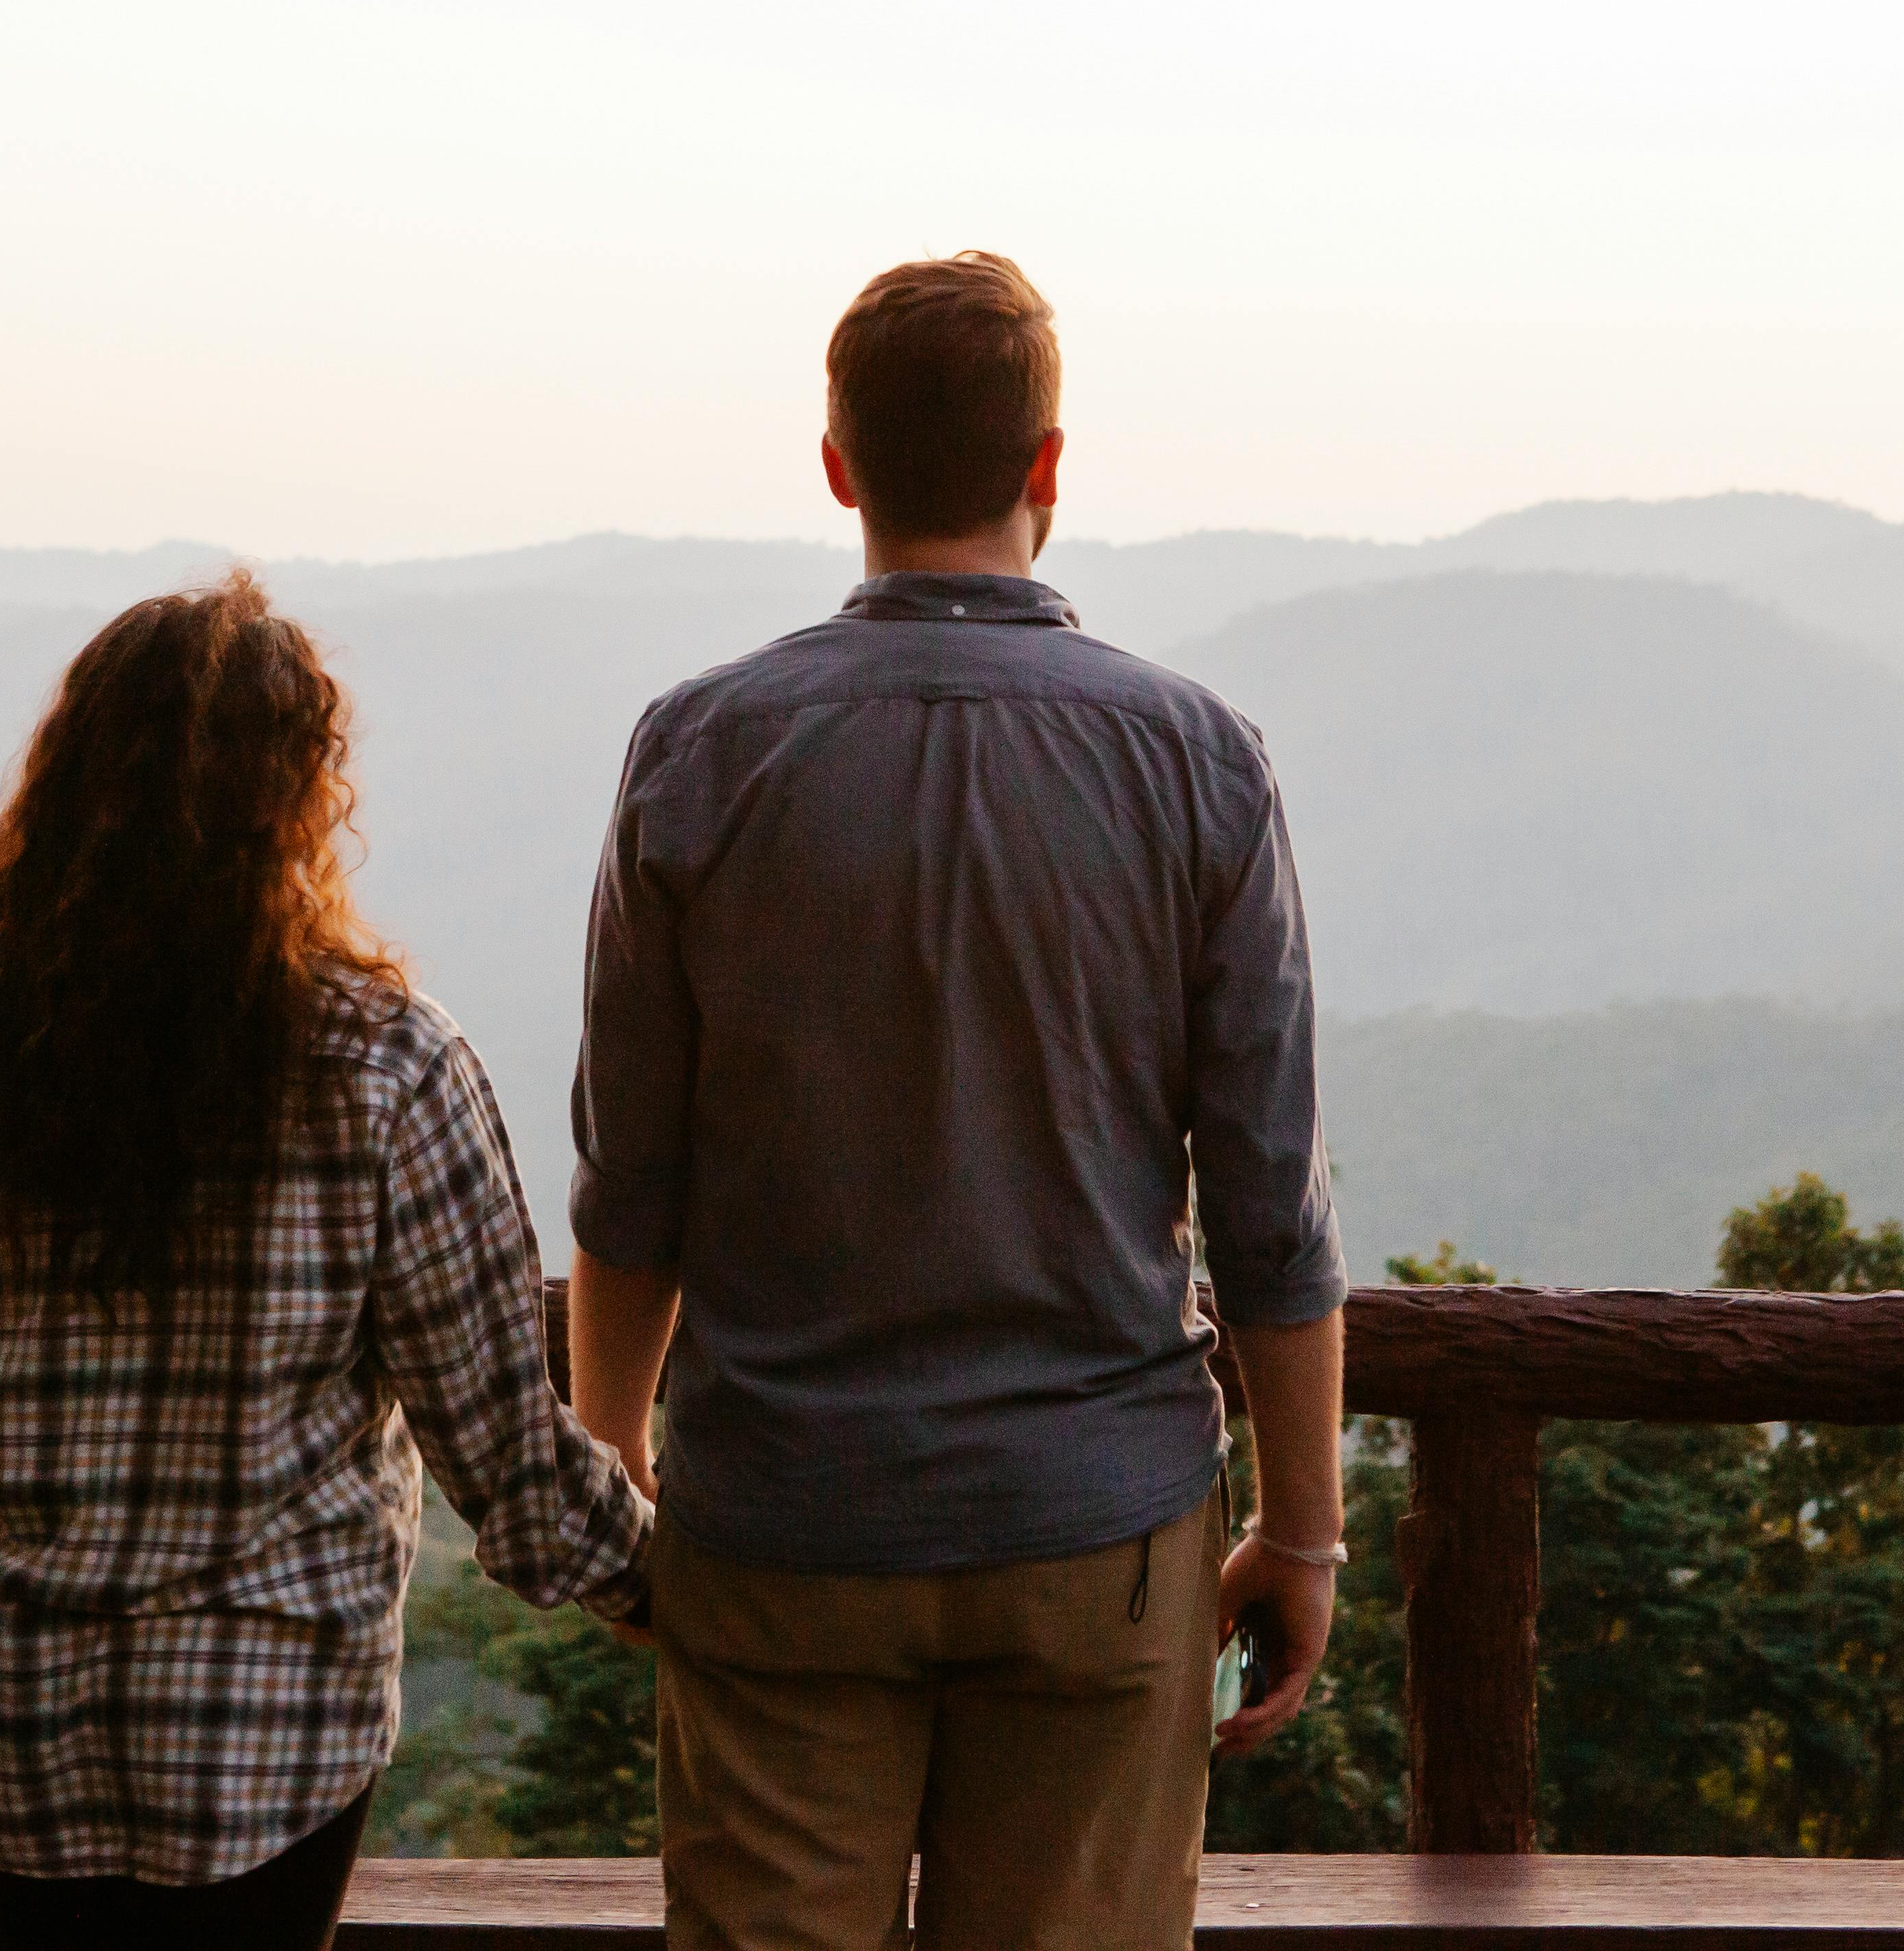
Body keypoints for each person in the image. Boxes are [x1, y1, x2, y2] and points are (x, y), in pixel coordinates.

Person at [566, 253, 1350, 1951]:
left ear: (840, 465)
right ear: (1047, 468)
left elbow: (633, 1185)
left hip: (779, 1522)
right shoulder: (1198, 760)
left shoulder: (700, 751)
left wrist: (617, 1465)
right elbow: (1273, 1207)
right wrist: (1302, 1533)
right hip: (1101, 1532)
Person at [0, 572, 649, 1948]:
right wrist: (672, 1584)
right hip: (261, 1732)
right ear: (302, 794)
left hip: (12, 1722)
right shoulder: (387, 1069)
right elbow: (504, 1452)